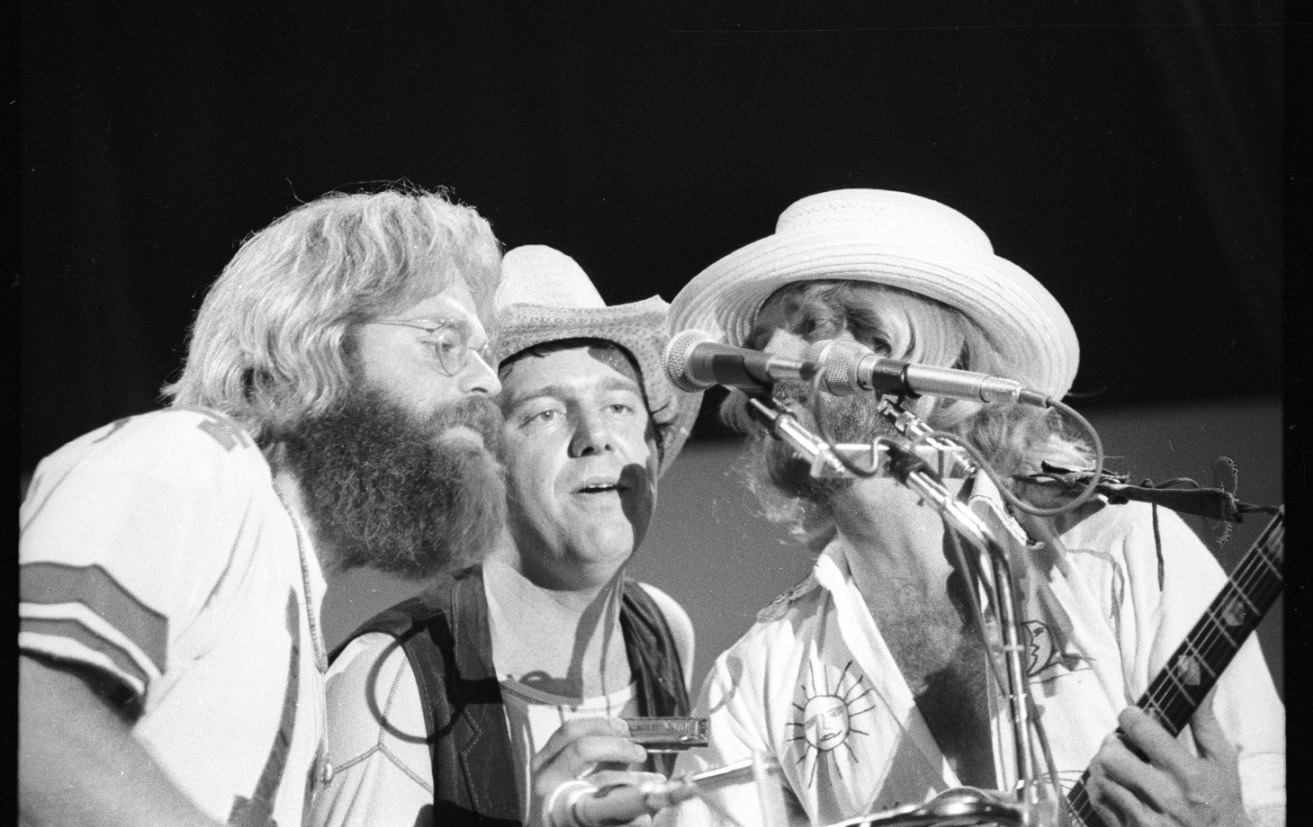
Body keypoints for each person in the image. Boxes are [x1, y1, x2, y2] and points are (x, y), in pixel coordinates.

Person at [662, 190, 1285, 827]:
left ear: (927, 366)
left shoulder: (1126, 553)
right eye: (760, 345)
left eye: (813, 327)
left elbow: (1266, 794)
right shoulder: (759, 671)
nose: (765, 365)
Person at [19, 188, 508, 827]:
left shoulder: (287, 586)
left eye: (481, 352)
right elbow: (33, 716)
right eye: (444, 340)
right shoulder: (190, 460)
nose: (488, 382)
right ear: (308, 344)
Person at [310, 245, 704, 827]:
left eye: (620, 406)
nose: (596, 436)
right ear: (485, 463)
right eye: (545, 413)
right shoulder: (388, 681)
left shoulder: (660, 629)